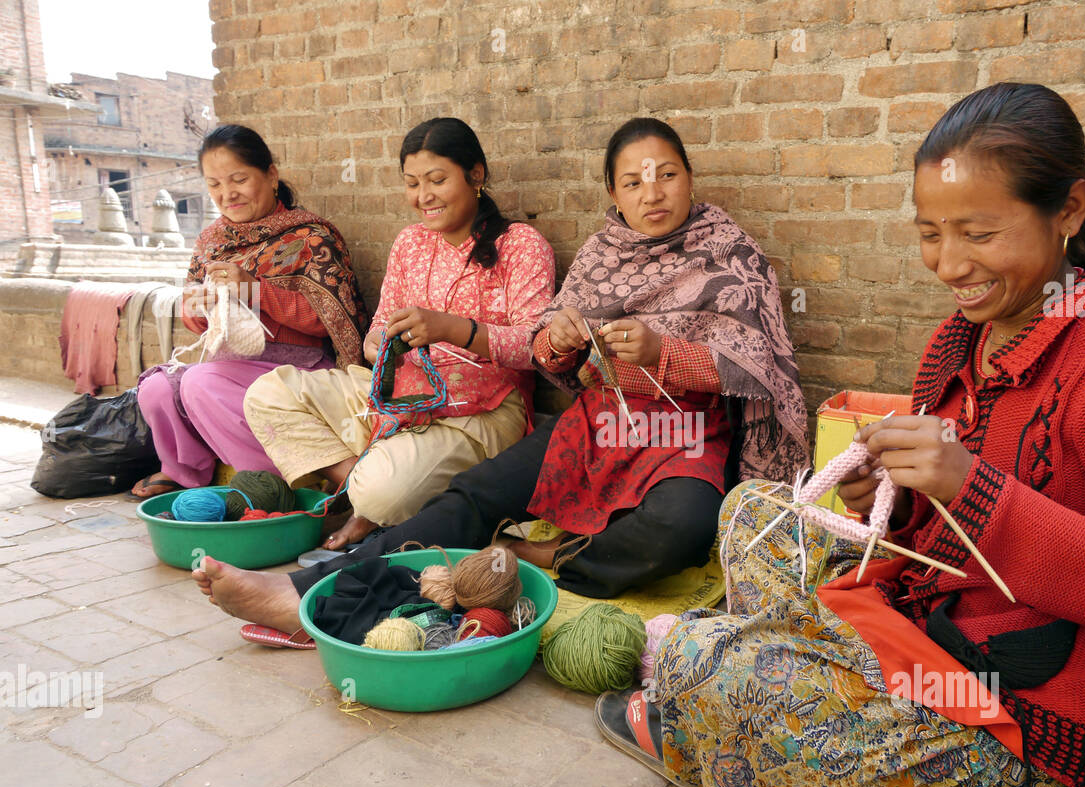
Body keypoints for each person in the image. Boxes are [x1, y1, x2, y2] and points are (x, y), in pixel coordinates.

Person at [598, 83, 1085, 787]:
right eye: (930, 233)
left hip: (1023, 727)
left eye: (978, 233)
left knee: (708, 664)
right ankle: (746, 698)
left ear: (1070, 208)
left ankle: (718, 706)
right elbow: (938, 535)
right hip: (933, 630)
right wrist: (893, 508)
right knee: (751, 512)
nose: (949, 265)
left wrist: (968, 485)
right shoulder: (955, 345)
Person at [192, 117, 809, 634]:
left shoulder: (732, 254)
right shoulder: (601, 255)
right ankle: (312, 591)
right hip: (597, 426)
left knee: (683, 528)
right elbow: (547, 352)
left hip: (686, 436)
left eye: (666, 174)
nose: (652, 194)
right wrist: (562, 343)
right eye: (633, 182)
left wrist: (661, 353)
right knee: (473, 497)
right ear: (613, 195)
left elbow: (759, 367)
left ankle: (530, 556)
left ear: (690, 178)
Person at [242, 118, 555, 549]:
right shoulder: (410, 243)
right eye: (412, 183)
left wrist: (450, 329)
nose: (422, 196)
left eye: (437, 180)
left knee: (383, 490)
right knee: (267, 396)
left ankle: (372, 502)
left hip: (481, 413)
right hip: (401, 391)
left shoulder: (520, 245)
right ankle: (366, 490)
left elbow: (535, 349)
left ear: (476, 175)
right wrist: (378, 344)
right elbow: (380, 327)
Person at [131, 125, 366, 499]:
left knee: (200, 383)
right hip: (229, 362)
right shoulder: (211, 241)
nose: (227, 194)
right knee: (156, 388)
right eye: (215, 185)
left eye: (239, 179)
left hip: (298, 365)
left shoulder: (310, 238)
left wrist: (254, 291)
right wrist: (199, 308)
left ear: (271, 175)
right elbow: (195, 317)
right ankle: (185, 472)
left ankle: (276, 484)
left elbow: (330, 322)